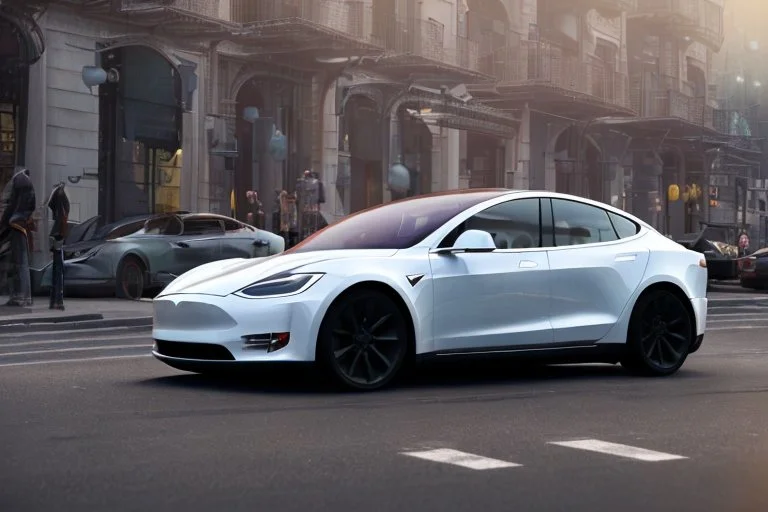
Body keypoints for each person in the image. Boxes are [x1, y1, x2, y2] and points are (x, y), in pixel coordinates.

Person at [0, 167, 36, 306]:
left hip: (16, 226)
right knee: (19, 262)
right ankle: (22, 295)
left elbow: (12, 205)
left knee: (20, 262)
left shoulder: (19, 180)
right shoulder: (23, 180)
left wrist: (6, 223)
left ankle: (21, 296)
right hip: (18, 225)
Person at [47, 182, 70, 310]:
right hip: (58, 237)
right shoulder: (61, 195)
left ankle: (55, 301)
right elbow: (63, 218)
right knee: (58, 270)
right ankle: (57, 301)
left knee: (57, 269)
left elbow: (61, 217)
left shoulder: (57, 195)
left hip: (56, 236)